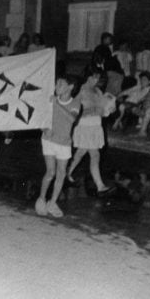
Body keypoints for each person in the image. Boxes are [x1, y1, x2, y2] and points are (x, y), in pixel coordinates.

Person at [35, 75, 81, 218]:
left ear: (70, 87)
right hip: (49, 140)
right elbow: (40, 118)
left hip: (64, 143)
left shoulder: (76, 103)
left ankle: (52, 202)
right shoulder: (51, 100)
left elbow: (71, 119)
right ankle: (41, 199)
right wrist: (43, 129)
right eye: (56, 84)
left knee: (61, 173)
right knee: (51, 172)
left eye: (60, 84)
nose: (56, 87)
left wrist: (56, 104)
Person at [67, 69, 116, 197]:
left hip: (96, 126)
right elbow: (74, 109)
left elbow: (103, 109)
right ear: (88, 77)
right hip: (85, 126)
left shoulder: (98, 91)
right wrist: (90, 111)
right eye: (93, 78)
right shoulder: (81, 90)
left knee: (81, 153)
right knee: (94, 155)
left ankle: (67, 173)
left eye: (98, 78)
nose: (95, 81)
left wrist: (110, 108)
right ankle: (100, 186)